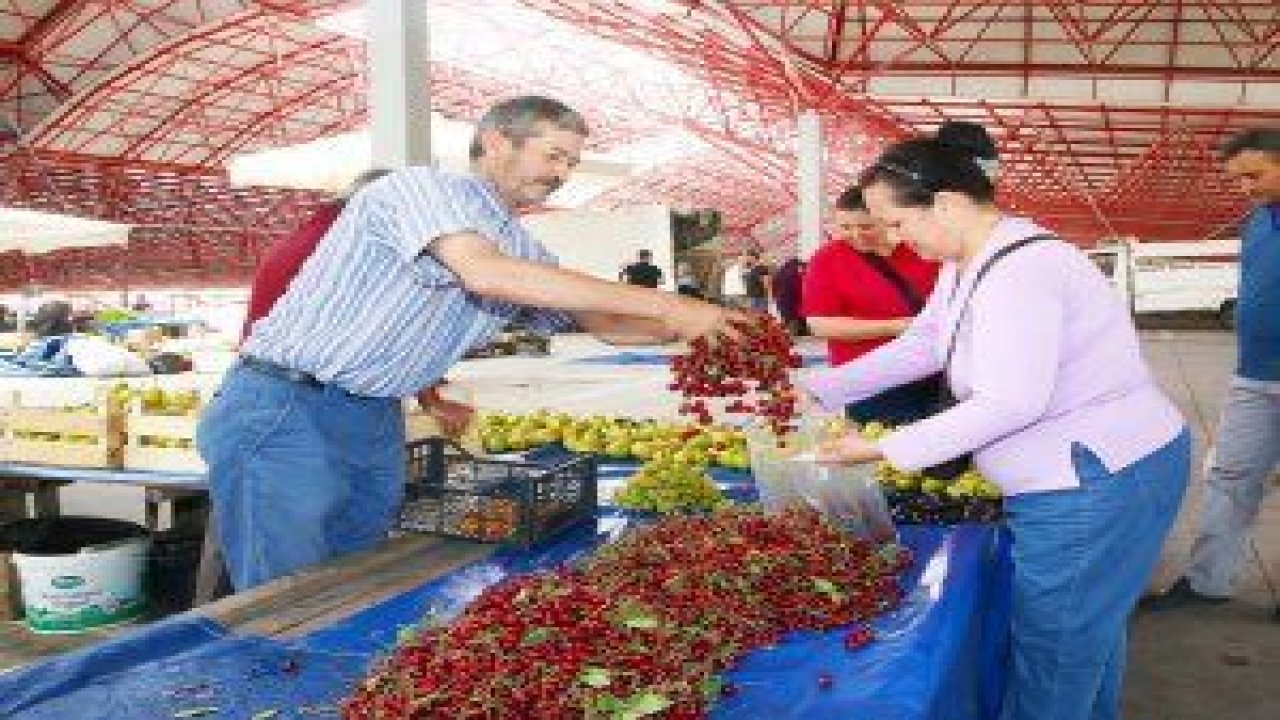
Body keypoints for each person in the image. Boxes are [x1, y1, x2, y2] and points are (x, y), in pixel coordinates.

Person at [197, 96, 742, 590]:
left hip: (372, 418)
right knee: (287, 591)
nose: (562, 174)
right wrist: (670, 305)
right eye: (553, 155)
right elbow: (481, 274)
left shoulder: (515, 242)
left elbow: (598, 320)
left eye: (571, 163)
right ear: (497, 141)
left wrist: (700, 331)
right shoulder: (421, 189)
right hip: (288, 407)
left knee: (355, 577)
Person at [803, 132, 1190, 720]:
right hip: (1091, 466)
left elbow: (1012, 402)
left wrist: (887, 450)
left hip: (1091, 477)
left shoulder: (1021, 270)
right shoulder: (972, 261)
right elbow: (926, 345)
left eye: (896, 222)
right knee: (1085, 633)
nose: (891, 238)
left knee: (1056, 649)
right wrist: (812, 387)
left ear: (948, 205)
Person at [1141, 128, 1280, 613]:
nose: (1246, 187)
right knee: (1229, 475)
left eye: (1255, 175)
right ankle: (1207, 582)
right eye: (1239, 178)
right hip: (1254, 373)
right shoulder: (1259, 222)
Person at [802, 187, 940, 424]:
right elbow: (820, 325)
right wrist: (902, 327)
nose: (856, 234)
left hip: (935, 371)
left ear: (886, 220)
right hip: (870, 380)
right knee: (881, 448)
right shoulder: (827, 259)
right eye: (845, 227)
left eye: (866, 226)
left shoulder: (921, 249)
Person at [770, 255, 806, 335]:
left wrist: (774, 296)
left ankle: (791, 333)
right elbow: (800, 286)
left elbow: (773, 285)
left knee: (787, 317)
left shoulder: (780, 272)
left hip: (781, 298)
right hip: (793, 299)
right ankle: (796, 332)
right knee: (795, 316)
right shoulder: (796, 272)